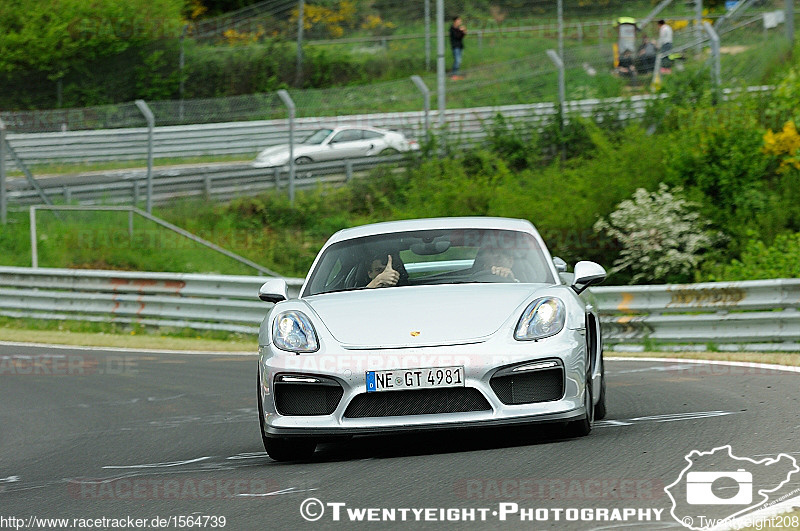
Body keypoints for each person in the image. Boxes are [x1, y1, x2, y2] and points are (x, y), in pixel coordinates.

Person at [449, 16, 466, 80]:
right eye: (459, 20)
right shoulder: (452, 29)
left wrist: (463, 32)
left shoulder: (458, 28)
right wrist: (461, 31)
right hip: (455, 47)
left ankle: (456, 74)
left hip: (460, 46)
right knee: (457, 61)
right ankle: (453, 75)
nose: (460, 22)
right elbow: (457, 36)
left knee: (459, 61)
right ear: (455, 21)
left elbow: (461, 37)